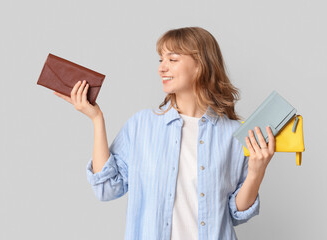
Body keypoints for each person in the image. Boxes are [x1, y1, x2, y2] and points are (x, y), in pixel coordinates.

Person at [53, 26, 275, 240]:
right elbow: (106, 189)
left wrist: (257, 172)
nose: (161, 68)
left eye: (172, 59)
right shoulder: (142, 125)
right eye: (161, 59)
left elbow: (236, 213)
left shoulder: (235, 134)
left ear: (200, 66)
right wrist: (96, 119)